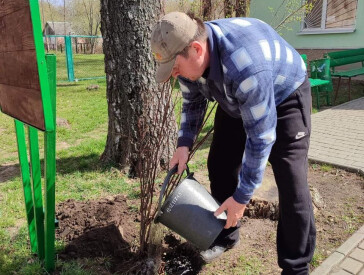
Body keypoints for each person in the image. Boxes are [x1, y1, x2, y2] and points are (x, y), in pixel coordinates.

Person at [151, 11, 316, 275]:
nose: (174, 75)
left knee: (292, 184)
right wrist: (183, 144)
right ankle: (227, 236)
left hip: (285, 95)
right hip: (237, 99)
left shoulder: (245, 65)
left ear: (196, 49)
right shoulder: (190, 58)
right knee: (220, 163)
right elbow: (193, 101)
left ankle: (296, 267)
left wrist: (242, 197)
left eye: (175, 67)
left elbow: (260, 137)